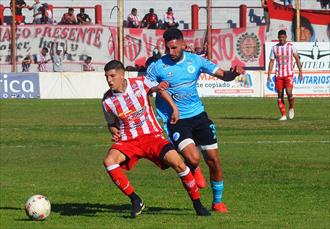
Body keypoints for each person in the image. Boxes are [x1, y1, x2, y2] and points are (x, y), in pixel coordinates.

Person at [146, 28, 245, 213]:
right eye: (168, 48)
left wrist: (234, 74)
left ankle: (217, 202)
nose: (171, 52)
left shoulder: (196, 60)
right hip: (176, 119)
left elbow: (223, 75)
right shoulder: (157, 66)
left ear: (183, 44)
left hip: (198, 116)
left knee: (214, 160)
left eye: (175, 48)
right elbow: (146, 88)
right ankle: (194, 167)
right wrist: (156, 88)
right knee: (193, 157)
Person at [102, 60, 210, 218]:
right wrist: (113, 131)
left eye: (112, 76)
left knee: (179, 164)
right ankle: (135, 200)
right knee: (109, 162)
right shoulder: (107, 101)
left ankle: (198, 205)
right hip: (128, 140)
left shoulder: (139, 83)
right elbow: (111, 124)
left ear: (122, 74)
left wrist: (174, 108)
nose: (109, 80)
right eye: (106, 77)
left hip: (152, 137)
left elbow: (157, 88)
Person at [267, 30, 303, 121]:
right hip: (279, 75)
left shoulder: (291, 47)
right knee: (279, 95)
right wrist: (268, 75)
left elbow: (297, 59)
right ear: (278, 37)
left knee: (289, 92)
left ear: (286, 37)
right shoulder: (274, 48)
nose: (281, 39)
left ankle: (291, 107)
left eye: (283, 37)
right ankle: (283, 115)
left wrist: (300, 71)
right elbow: (271, 62)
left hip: (289, 74)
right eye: (280, 37)